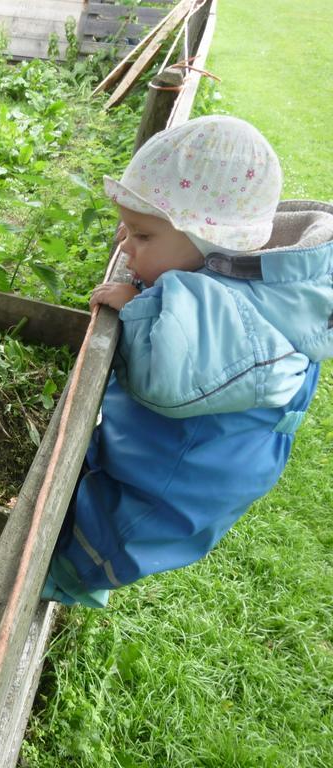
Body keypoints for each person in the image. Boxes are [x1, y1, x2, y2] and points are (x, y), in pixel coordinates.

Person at [43, 115, 333, 607]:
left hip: (172, 484)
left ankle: (52, 584)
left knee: (100, 542)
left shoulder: (236, 318)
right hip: (162, 449)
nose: (123, 244)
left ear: (209, 240)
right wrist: (148, 273)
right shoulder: (235, 274)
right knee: (92, 485)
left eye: (142, 237)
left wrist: (138, 306)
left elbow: (164, 376)